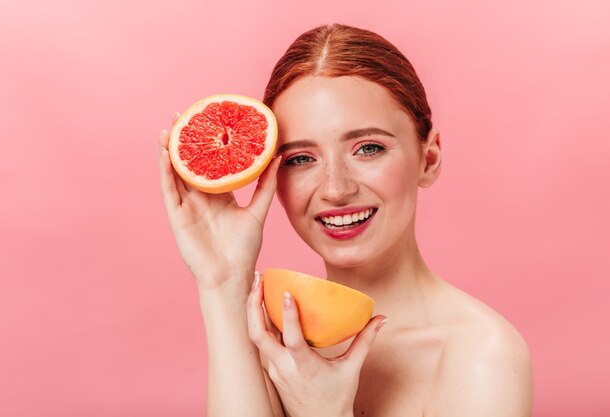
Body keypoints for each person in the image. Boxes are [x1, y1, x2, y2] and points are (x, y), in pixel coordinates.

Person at [158, 23, 533, 417]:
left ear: (429, 158)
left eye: (368, 148)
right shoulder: (273, 343)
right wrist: (222, 282)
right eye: (301, 159)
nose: (335, 189)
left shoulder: (484, 357)